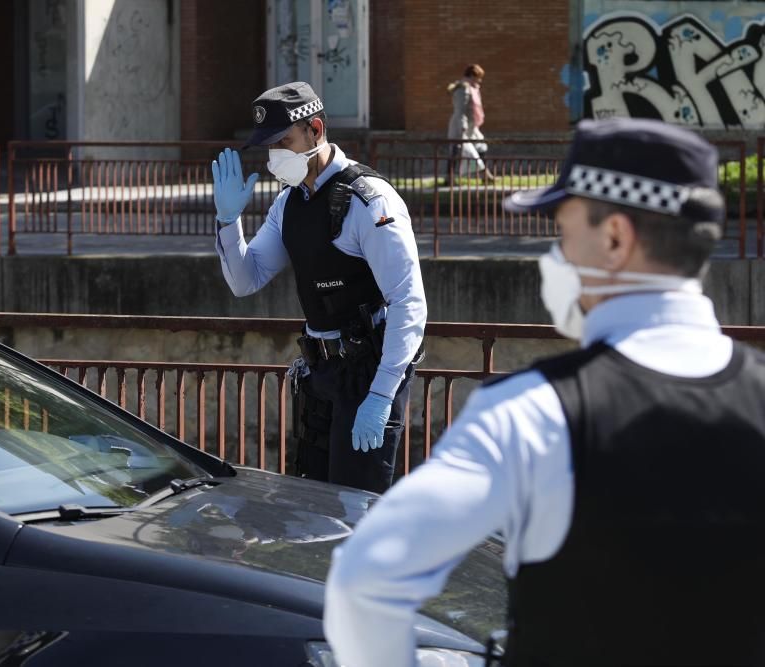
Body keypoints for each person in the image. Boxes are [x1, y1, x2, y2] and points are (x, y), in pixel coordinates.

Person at [324, 118, 765, 666]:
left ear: (614, 238)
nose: (555, 254)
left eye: (563, 230)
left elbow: (366, 578)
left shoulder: (529, 412)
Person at [211, 81, 427, 494]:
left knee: (357, 514)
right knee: (313, 511)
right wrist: (227, 220)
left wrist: (382, 395)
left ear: (316, 129)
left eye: (283, 142)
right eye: (269, 148)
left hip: (367, 375)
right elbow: (245, 279)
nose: (276, 157)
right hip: (320, 373)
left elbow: (408, 302)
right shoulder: (289, 202)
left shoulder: (368, 200)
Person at [446, 64, 494, 184]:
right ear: (472, 76)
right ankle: (449, 178)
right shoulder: (463, 89)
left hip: (472, 127)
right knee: (456, 152)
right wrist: (462, 127)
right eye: (479, 77)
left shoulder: (473, 89)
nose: (480, 80)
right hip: (461, 126)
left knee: (481, 147)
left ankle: (483, 174)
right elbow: (460, 110)